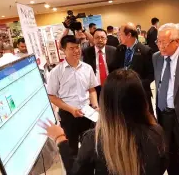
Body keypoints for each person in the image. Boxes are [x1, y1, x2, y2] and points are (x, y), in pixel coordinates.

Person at [40, 69, 168, 175]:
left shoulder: (95, 140)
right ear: (141, 100)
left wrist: (60, 139)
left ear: (105, 102)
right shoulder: (156, 133)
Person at [152, 23, 179, 175]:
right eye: (158, 41)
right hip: (164, 114)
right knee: (170, 156)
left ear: (177, 42)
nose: (160, 46)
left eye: (164, 42)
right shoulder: (156, 58)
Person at [47, 35, 98, 156]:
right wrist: (71, 109)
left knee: (91, 149)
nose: (76, 51)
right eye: (71, 48)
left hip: (87, 113)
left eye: (77, 47)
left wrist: (95, 105)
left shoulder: (87, 68)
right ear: (63, 50)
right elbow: (52, 96)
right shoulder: (57, 72)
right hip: (68, 115)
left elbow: (92, 90)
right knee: (72, 150)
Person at [112, 22, 155, 115]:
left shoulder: (145, 51)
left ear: (129, 35)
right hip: (123, 93)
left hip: (141, 93)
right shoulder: (119, 49)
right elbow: (115, 68)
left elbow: (151, 74)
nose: (119, 37)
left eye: (121, 34)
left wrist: (138, 85)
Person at [82, 28, 117, 98]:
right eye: (97, 37)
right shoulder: (87, 52)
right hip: (94, 88)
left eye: (102, 37)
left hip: (111, 86)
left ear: (106, 40)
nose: (100, 40)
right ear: (93, 39)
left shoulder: (114, 51)